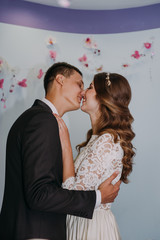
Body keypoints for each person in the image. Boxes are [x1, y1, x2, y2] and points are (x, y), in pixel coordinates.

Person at [0, 63, 121, 240]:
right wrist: (98, 197)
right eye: (79, 84)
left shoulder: (37, 118)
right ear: (60, 79)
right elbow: (40, 194)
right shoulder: (43, 121)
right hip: (36, 233)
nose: (82, 91)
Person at [55, 72, 135, 240]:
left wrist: (65, 145)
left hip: (90, 228)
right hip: (82, 222)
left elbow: (72, 194)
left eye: (90, 87)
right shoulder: (98, 138)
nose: (83, 92)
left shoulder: (107, 141)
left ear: (104, 97)